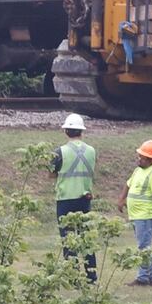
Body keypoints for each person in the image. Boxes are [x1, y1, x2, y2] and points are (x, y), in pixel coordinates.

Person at [50, 112, 98, 282]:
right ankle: (91, 275)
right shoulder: (91, 151)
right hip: (85, 198)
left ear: (65, 131)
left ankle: (72, 277)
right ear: (81, 131)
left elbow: (51, 173)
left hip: (65, 199)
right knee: (86, 238)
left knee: (68, 239)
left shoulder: (59, 152)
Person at [117, 139, 152, 286]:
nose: (139, 158)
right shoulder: (138, 171)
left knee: (143, 247)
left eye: (142, 157)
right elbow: (128, 184)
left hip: (146, 217)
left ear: (150, 159)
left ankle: (143, 278)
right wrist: (121, 199)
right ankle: (149, 277)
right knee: (145, 246)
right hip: (137, 216)